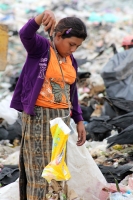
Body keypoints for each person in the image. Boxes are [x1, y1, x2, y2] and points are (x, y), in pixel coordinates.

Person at [10, 10, 87, 200]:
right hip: (39, 117)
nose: (73, 50)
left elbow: (72, 93)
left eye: (77, 46)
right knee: (39, 171)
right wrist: (41, 17)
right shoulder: (42, 49)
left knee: (56, 170)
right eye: (71, 44)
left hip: (61, 120)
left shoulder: (71, 61)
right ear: (58, 35)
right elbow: (25, 34)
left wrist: (78, 119)